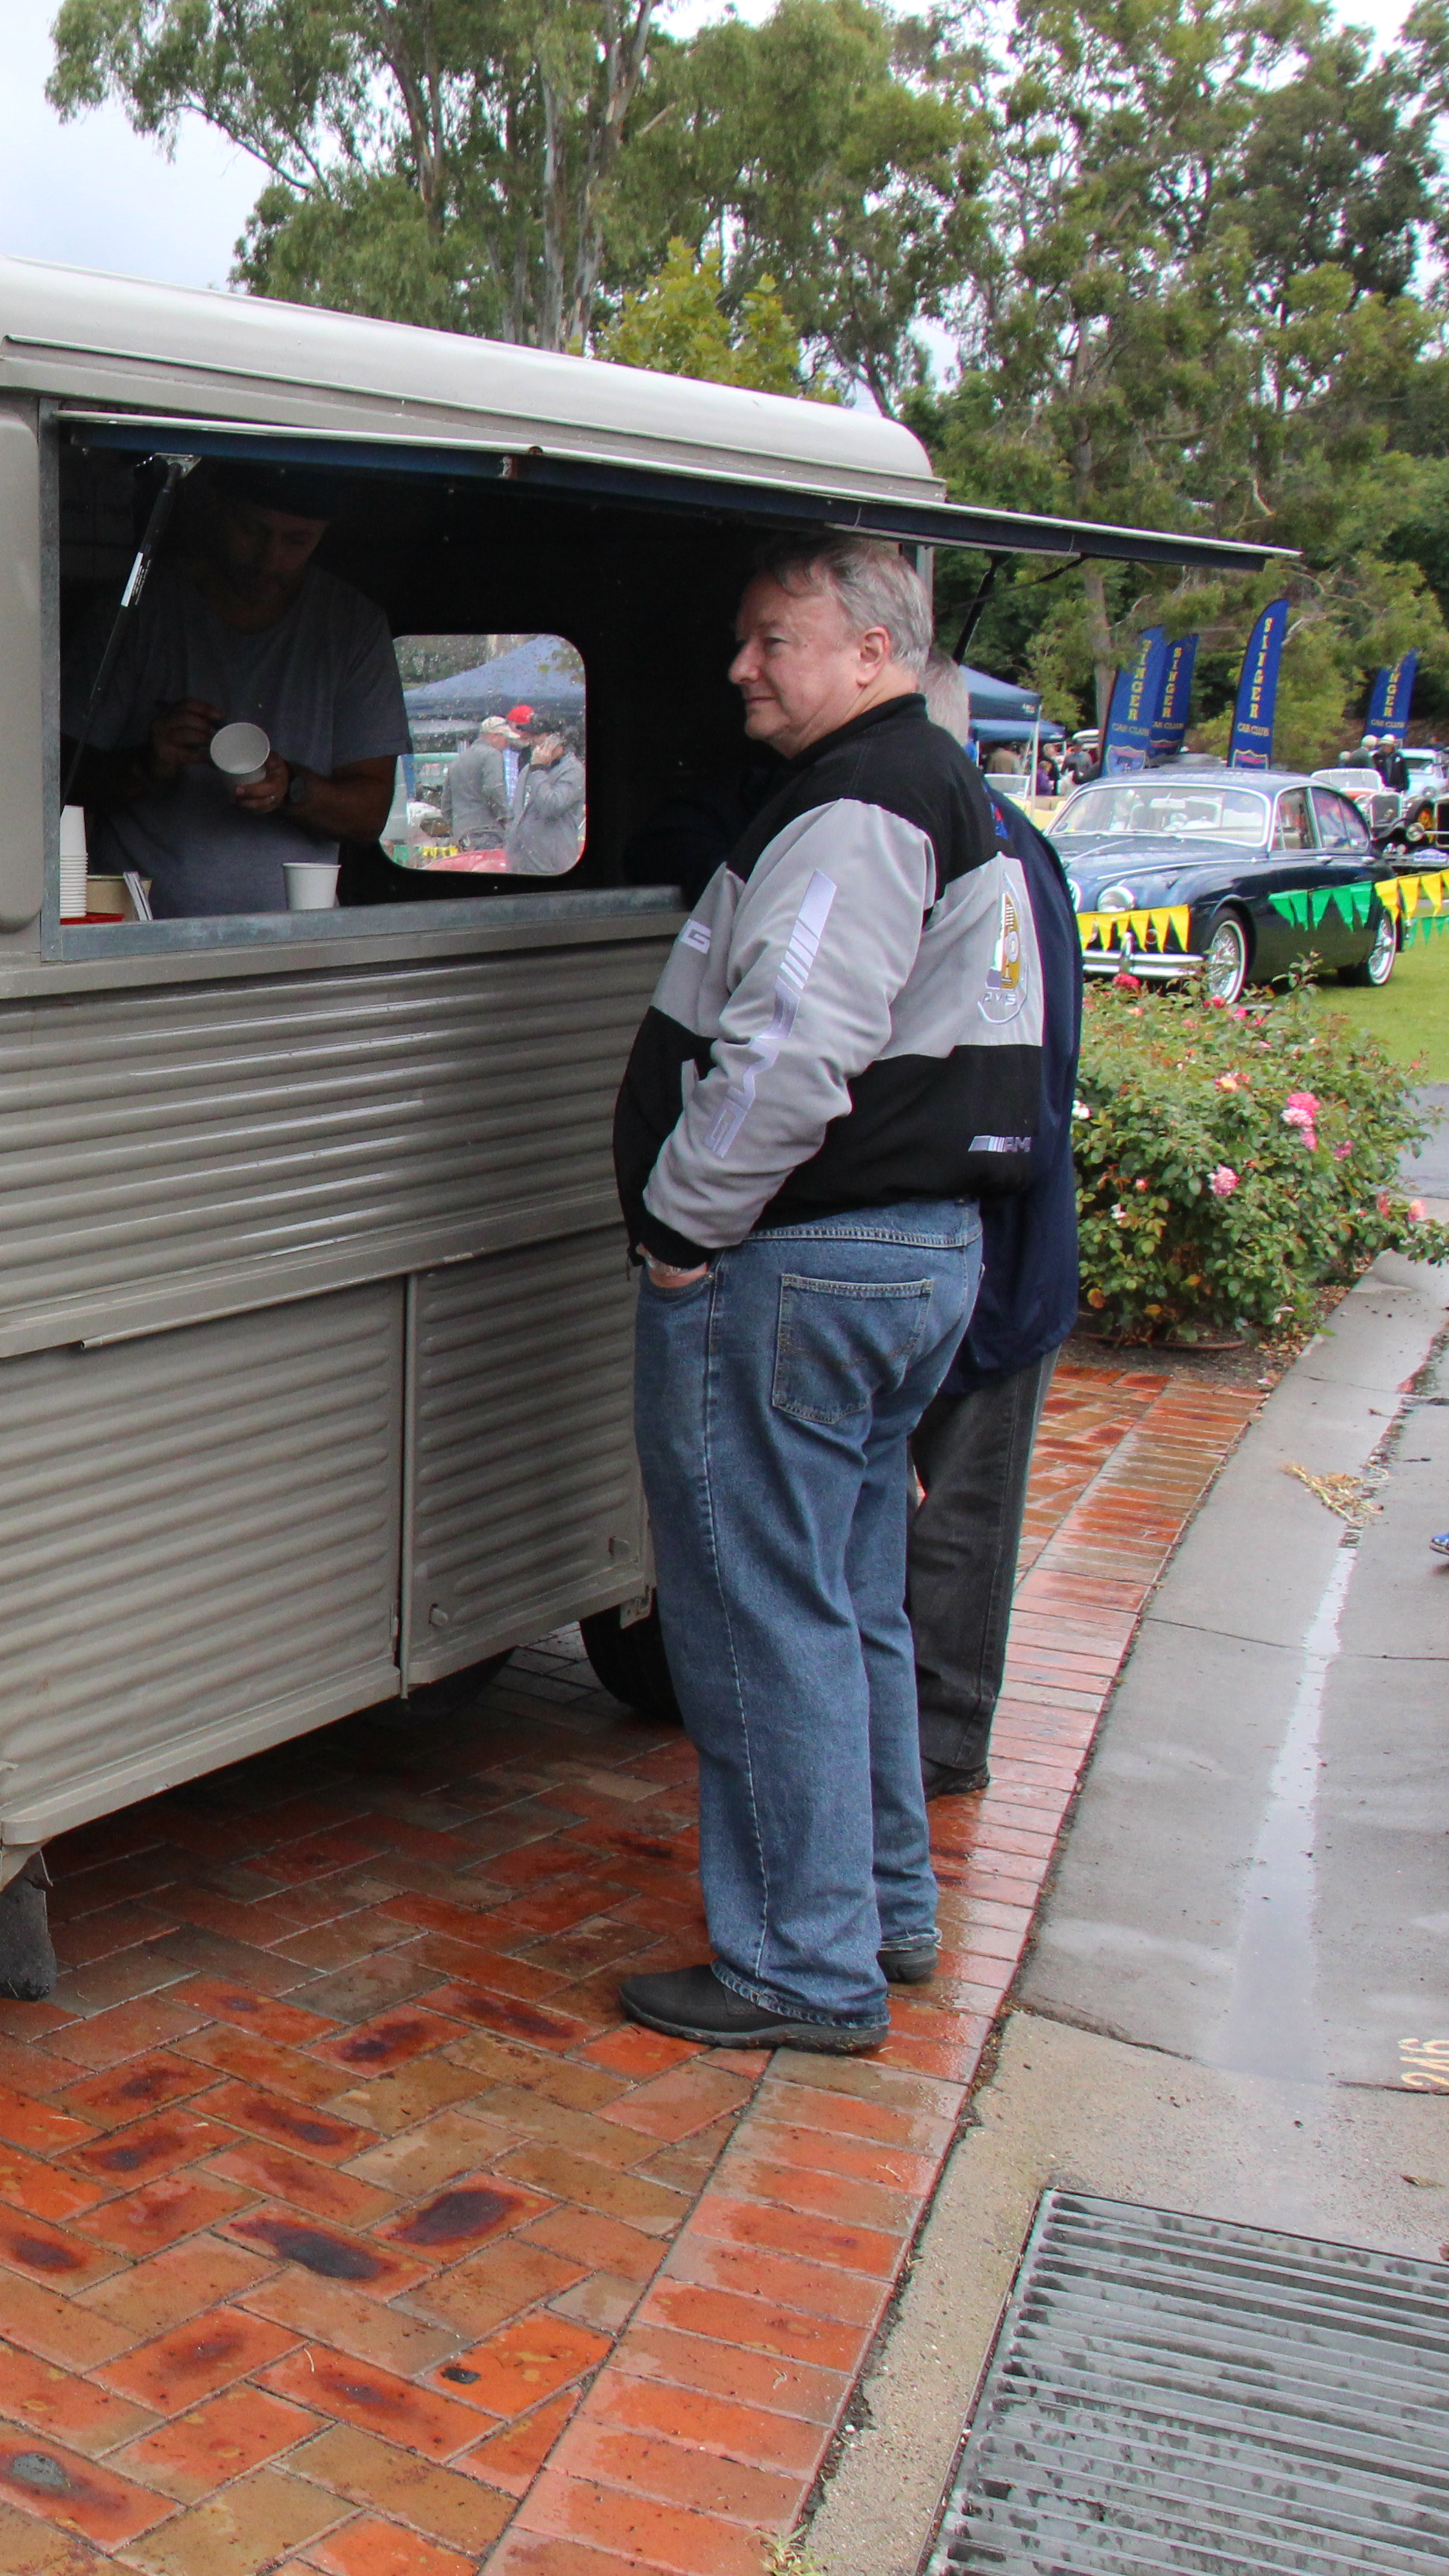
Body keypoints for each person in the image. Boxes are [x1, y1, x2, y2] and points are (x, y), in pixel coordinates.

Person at [610, 534, 1046, 2053]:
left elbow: (792, 1047)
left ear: (872, 651)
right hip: (906, 1258)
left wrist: (680, 1223)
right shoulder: (944, 786)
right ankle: (882, 1909)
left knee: (757, 1617)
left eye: (771, 639)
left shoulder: (859, 805)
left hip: (796, 1259)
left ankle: (800, 1965)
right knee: (850, 1601)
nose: (740, 667)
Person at [906, 663, 1083, 1800]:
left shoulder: (976, 856)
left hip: (990, 1241)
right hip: (974, 1234)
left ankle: (938, 1745)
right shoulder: (1004, 841)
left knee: (957, 1514)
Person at [66, 465, 409, 917]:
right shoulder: (138, 610)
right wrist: (147, 764)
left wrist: (291, 788)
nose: (269, 559)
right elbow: (57, 785)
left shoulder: (352, 628)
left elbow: (369, 815)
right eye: (253, 531)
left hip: (293, 945)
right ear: (217, 510)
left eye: (296, 541)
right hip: (138, 943)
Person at [508, 717, 587, 872]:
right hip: (522, 861)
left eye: (536, 735)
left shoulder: (573, 771)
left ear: (557, 738)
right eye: (529, 735)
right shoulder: (527, 770)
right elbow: (517, 811)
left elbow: (551, 806)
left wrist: (538, 770)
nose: (532, 741)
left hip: (553, 864)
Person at [443, 710, 528, 850]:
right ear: (494, 736)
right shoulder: (492, 755)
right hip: (487, 833)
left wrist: (458, 827)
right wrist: (507, 818)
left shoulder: (458, 761)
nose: (507, 744)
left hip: (463, 835)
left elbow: (446, 805)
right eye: (506, 738)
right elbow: (493, 788)